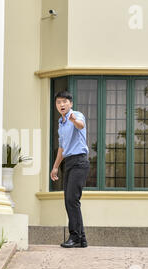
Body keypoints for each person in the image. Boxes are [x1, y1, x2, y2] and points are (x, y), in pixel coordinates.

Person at [50, 91, 90, 248]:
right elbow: (61, 147)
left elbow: (81, 125)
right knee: (70, 201)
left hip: (80, 161)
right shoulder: (61, 123)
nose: (61, 104)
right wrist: (55, 167)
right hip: (69, 163)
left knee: (72, 200)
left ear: (70, 104)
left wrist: (73, 119)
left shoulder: (77, 115)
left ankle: (75, 237)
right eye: (58, 102)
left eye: (64, 102)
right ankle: (82, 238)